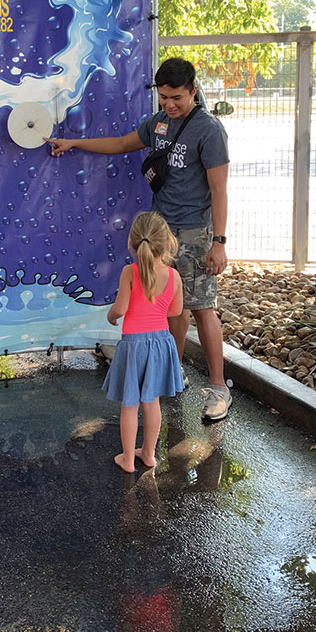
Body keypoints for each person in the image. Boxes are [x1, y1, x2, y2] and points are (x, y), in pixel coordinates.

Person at [51, 57, 231, 421]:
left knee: (201, 306)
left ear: (193, 90)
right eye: (163, 97)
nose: (169, 104)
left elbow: (219, 188)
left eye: (176, 97)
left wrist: (220, 241)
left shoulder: (209, 130)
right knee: (169, 306)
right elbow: (121, 143)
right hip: (161, 232)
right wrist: (73, 143)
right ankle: (173, 371)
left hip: (195, 230)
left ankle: (218, 387)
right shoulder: (160, 122)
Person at [103, 211, 184, 472]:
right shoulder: (174, 276)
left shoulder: (130, 272)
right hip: (161, 343)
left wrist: (111, 315)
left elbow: (121, 307)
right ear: (168, 242)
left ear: (132, 243)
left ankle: (127, 459)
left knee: (130, 404)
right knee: (152, 403)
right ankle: (148, 454)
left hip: (133, 345)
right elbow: (175, 311)